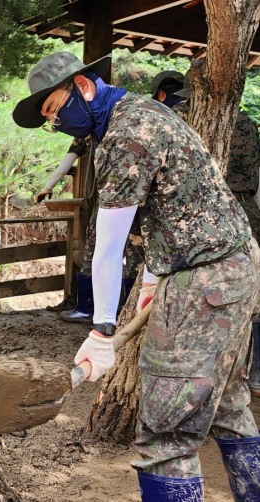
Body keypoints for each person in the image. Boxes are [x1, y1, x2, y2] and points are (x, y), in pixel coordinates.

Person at [13, 52, 260, 501]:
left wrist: (102, 330)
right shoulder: (147, 111)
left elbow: (108, 247)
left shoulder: (125, 138)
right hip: (235, 265)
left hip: (204, 280)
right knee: (229, 406)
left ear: (83, 88)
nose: (57, 124)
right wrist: (150, 280)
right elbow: (170, 208)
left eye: (54, 110)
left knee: (165, 431)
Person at [169, 70, 260, 400]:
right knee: (250, 296)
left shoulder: (183, 116)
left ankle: (196, 374)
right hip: (247, 211)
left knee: (198, 296)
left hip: (206, 215)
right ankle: (254, 373)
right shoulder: (248, 121)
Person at [37, 137, 141, 323]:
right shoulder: (91, 132)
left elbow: (69, 159)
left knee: (125, 254)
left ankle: (103, 310)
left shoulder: (97, 127)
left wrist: (48, 187)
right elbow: (70, 157)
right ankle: (101, 310)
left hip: (125, 201)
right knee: (111, 251)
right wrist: (48, 186)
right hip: (124, 199)